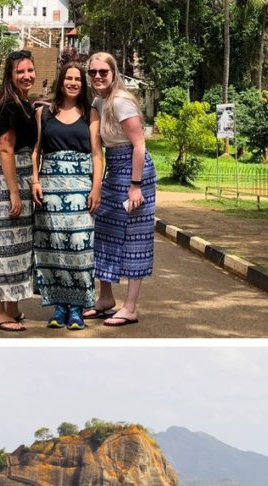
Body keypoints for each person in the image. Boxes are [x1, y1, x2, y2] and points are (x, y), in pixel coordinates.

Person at [84, 51, 156, 326]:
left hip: (135, 171)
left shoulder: (121, 102)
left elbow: (139, 145)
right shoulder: (100, 102)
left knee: (135, 237)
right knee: (105, 229)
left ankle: (130, 307)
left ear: (114, 73)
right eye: (93, 72)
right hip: (114, 170)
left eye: (104, 72)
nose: (98, 76)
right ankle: (105, 298)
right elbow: (97, 147)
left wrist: (136, 186)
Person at [30, 63, 103, 330]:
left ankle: (78, 308)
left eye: (77, 79)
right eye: (68, 78)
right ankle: (59, 306)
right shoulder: (44, 113)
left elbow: (97, 155)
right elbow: (36, 151)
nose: (73, 83)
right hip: (50, 188)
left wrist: (96, 188)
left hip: (81, 186)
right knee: (54, 246)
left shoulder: (91, 114)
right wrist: (35, 180)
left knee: (80, 247)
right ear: (61, 81)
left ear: (82, 84)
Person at [0, 49, 38, 332]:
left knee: (18, 246)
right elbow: (5, 148)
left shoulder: (24, 103)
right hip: (8, 180)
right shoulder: (9, 105)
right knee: (1, 245)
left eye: (30, 70)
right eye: (20, 72)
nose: (26, 76)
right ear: (10, 76)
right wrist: (14, 192)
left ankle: (12, 307)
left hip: (22, 178)